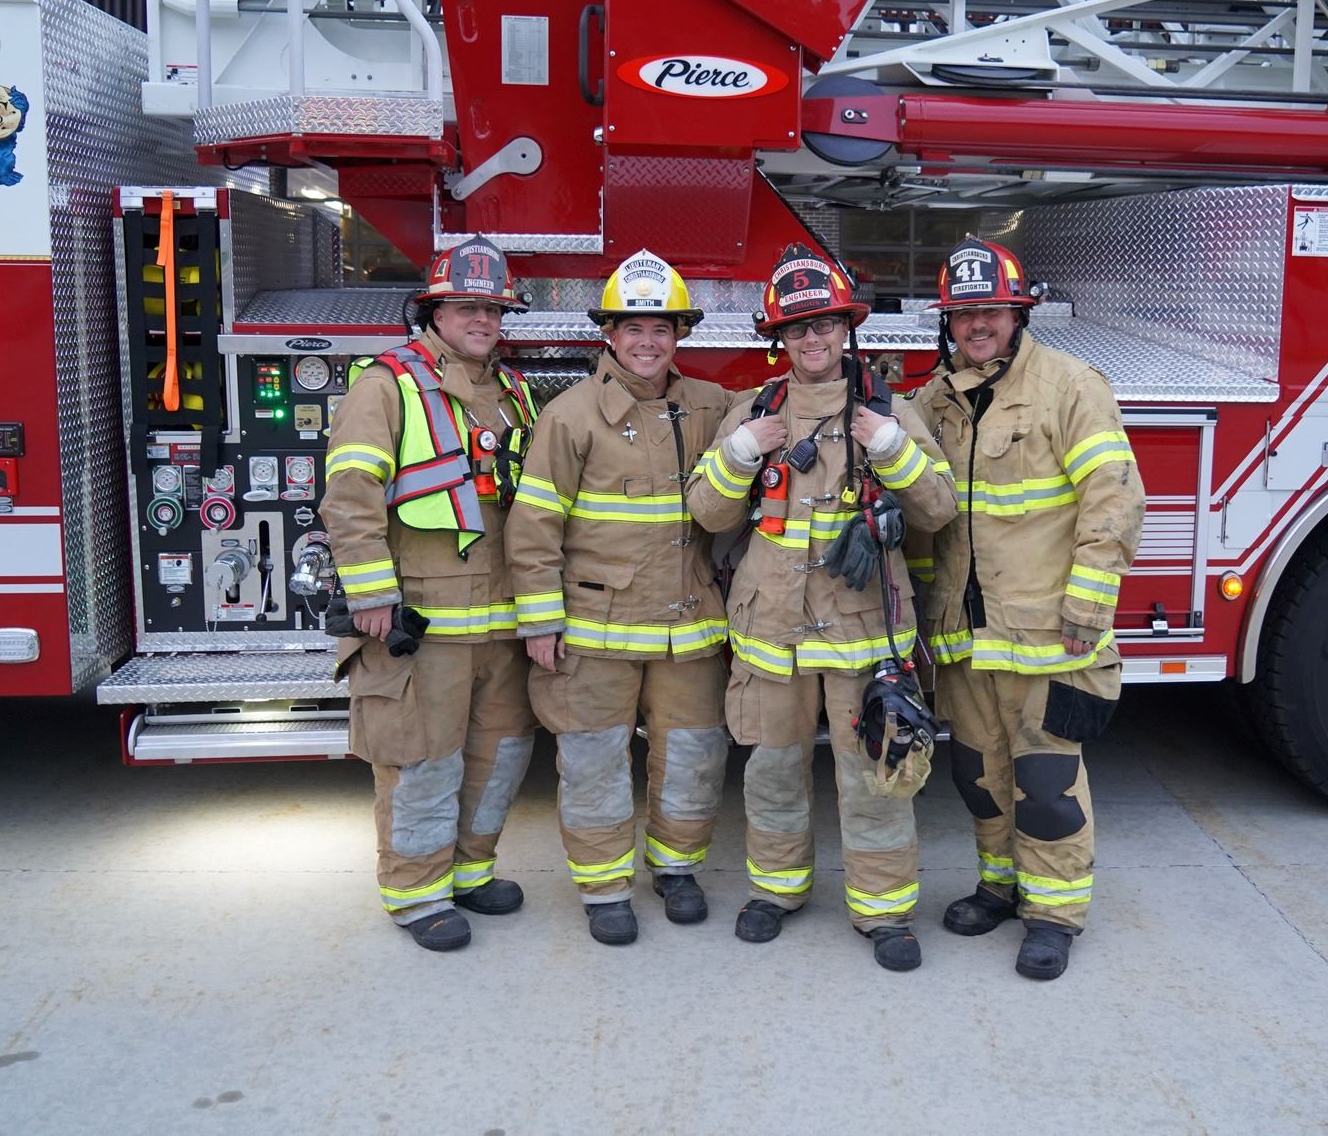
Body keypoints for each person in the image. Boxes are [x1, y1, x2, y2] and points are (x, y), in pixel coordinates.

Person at [686, 242, 957, 972]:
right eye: (798, 327)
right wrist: (740, 453)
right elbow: (707, 513)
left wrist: (892, 449)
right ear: (779, 336)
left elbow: (938, 509)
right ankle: (776, 892)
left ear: (846, 329)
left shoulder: (886, 411)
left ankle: (884, 911)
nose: (813, 338)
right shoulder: (754, 412)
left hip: (863, 638)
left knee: (875, 777)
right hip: (771, 635)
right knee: (772, 772)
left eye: (826, 324)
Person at [907, 236, 1145, 981]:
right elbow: (928, 523)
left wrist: (1089, 603)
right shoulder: (935, 401)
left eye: (992, 310)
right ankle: (1001, 887)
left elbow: (1114, 496)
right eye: (964, 313)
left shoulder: (1070, 386)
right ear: (949, 322)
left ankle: (1053, 915)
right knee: (979, 775)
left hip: (1048, 634)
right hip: (965, 636)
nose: (978, 324)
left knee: (1045, 782)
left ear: (1018, 314)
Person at [506, 250, 737, 946]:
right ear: (608, 333)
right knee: (593, 763)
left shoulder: (711, 405)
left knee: (695, 755)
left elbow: (777, 414)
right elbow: (534, 525)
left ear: (680, 335)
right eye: (633, 327)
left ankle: (677, 869)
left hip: (688, 628)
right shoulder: (570, 416)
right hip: (594, 633)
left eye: (661, 328)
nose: (647, 342)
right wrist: (540, 620)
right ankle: (604, 888)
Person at [320, 236, 540, 953]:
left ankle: (470, 873)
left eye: (493, 309)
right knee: (422, 759)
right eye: (466, 306)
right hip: (421, 624)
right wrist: (370, 595)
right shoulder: (385, 386)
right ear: (434, 312)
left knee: (499, 753)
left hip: (500, 625)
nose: (482, 319)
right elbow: (350, 496)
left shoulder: (513, 392)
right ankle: (417, 893)